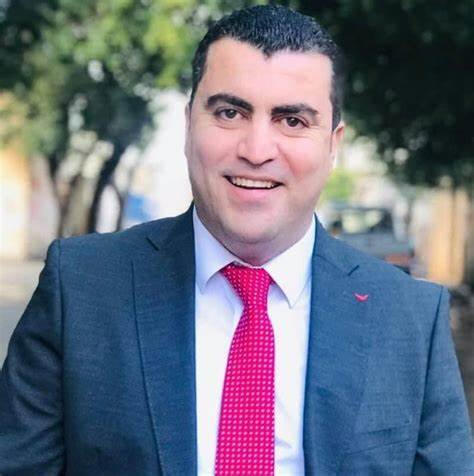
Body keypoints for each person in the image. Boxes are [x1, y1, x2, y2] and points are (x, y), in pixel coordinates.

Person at [0, 5, 473, 475]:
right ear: (189, 124)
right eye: (230, 113)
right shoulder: (80, 289)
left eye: (292, 121)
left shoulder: (410, 318)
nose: (256, 150)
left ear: (333, 144)